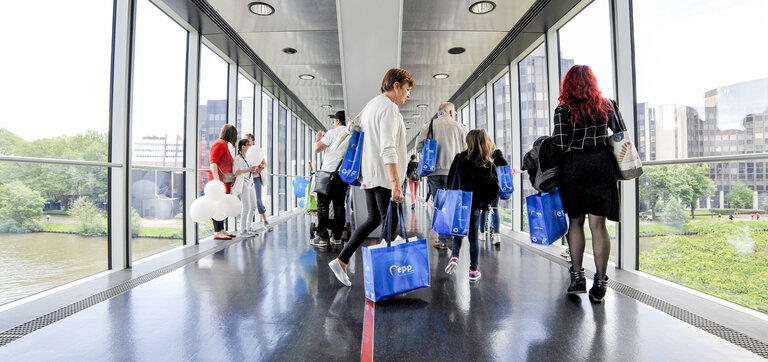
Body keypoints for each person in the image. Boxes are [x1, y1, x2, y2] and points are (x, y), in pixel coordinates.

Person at [328, 68, 413, 287]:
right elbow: (388, 148)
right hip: (384, 176)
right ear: (396, 85)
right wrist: (396, 183)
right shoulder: (389, 109)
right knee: (390, 223)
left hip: (369, 174)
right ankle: (385, 277)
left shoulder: (371, 105)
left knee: (374, 219)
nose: (408, 94)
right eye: (406, 89)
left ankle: (342, 260)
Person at [553, 65, 621, 303]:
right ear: (592, 82)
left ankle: (577, 277)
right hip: (602, 166)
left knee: (576, 221)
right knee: (598, 225)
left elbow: (560, 144)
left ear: (568, 84)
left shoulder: (563, 109)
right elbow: (621, 134)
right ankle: (601, 283)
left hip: (575, 168)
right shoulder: (608, 105)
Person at [443, 129, 500, 282]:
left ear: (468, 142)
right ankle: (473, 270)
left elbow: (450, 179)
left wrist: (452, 193)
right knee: (473, 236)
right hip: (475, 205)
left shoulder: (460, 158)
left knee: (458, 231)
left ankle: (454, 256)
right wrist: (484, 203)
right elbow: (494, 188)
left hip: (459, 202)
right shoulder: (488, 164)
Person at [415, 102, 467, 249]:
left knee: (439, 205)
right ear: (450, 112)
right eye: (454, 112)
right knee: (451, 203)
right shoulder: (458, 127)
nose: (455, 114)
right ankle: (450, 232)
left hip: (434, 170)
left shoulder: (429, 125)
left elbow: (419, 146)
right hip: (453, 171)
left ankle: (441, 239)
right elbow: (466, 149)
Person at [310, 110, 350, 248]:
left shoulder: (332, 133)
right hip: (343, 175)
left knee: (323, 205)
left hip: (327, 174)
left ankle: (322, 237)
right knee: (339, 205)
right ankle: (337, 237)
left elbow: (317, 148)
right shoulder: (351, 134)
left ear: (337, 121)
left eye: (334, 120)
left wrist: (318, 138)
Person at [209, 124, 239, 240]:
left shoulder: (223, 145)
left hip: (223, 181)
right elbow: (213, 163)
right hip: (218, 182)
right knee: (217, 205)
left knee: (221, 205)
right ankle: (217, 231)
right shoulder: (219, 144)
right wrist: (217, 181)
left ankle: (221, 230)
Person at [479, 149, 508, 246]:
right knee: (495, 210)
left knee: (484, 210)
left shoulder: (490, 163)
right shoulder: (505, 163)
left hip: (487, 189)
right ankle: (497, 236)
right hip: (498, 189)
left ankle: (482, 234)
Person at [231, 138, 259, 237]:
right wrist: (248, 169)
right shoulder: (237, 159)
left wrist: (252, 169)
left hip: (251, 183)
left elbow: (248, 170)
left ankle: (249, 227)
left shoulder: (248, 158)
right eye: (248, 145)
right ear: (243, 147)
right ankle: (243, 230)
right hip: (244, 184)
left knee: (253, 206)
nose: (250, 147)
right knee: (246, 207)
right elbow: (236, 172)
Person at [244, 134, 271, 231]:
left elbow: (264, 163)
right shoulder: (243, 151)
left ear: (253, 142)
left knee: (258, 201)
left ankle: (265, 221)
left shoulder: (256, 151)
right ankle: (248, 226)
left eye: (249, 140)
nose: (247, 141)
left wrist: (259, 166)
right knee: (248, 204)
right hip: (247, 179)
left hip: (256, 179)